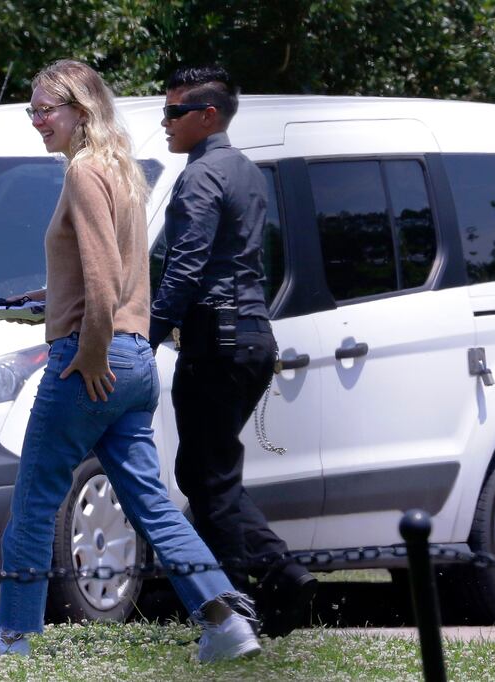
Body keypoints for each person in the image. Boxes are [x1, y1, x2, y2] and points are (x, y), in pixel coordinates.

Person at [0, 59, 260, 663]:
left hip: (94, 358)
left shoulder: (83, 172)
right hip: (137, 357)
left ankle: (12, 635)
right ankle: (226, 621)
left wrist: (89, 353)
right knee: (151, 503)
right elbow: (117, 273)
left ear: (81, 110)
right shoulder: (121, 171)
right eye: (32, 110)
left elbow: (103, 279)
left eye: (46, 109)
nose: (37, 120)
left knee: (36, 497)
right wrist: (46, 298)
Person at [148, 66, 318, 638]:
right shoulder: (246, 170)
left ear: (208, 116)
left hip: (215, 343)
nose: (165, 121)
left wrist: (145, 335)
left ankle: (246, 604)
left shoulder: (200, 178)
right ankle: (276, 578)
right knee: (210, 473)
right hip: (251, 338)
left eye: (174, 112)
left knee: (205, 476)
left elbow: (186, 267)